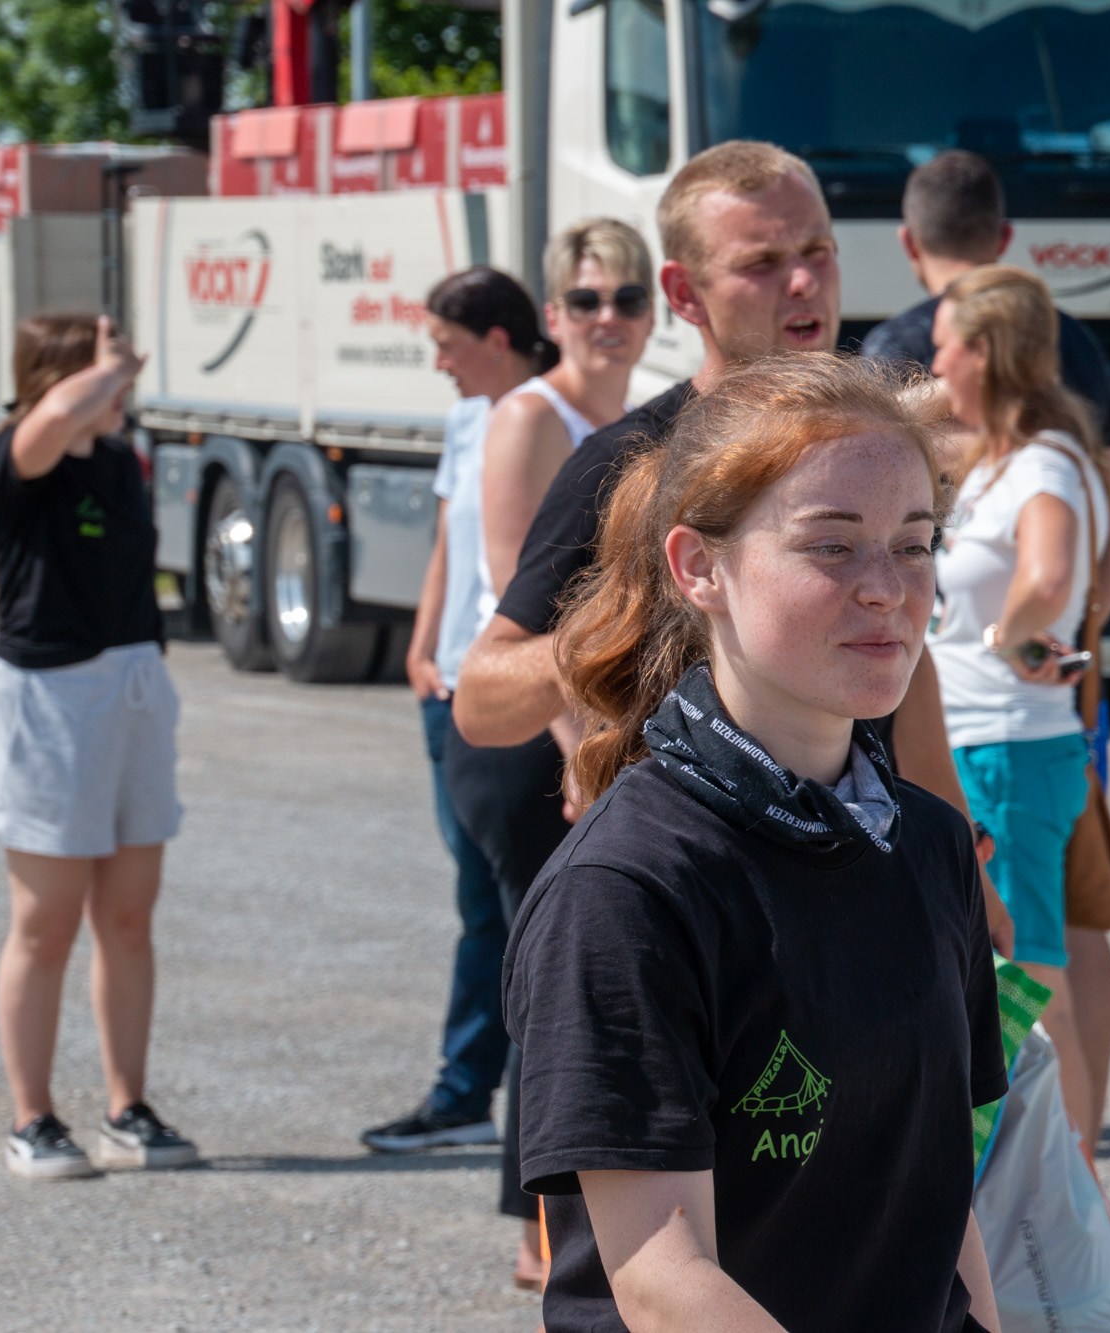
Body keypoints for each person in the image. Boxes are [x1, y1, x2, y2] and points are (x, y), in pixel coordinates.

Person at [505, 354, 1005, 1332]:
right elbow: (660, 1278)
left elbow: (943, 1206)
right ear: (699, 567)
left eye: (914, 545)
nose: (886, 589)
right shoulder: (625, 890)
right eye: (831, 545)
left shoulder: (932, 844)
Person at [452, 141, 1012, 948]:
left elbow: (899, 653)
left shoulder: (874, 444)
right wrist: (627, 617)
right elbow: (480, 700)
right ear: (685, 293)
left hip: (851, 871)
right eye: (762, 262)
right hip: (699, 898)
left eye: (817, 250)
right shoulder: (630, 463)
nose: (803, 280)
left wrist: (964, 870)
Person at [440, 221, 655, 1287]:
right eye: (586, 299)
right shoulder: (532, 416)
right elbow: (521, 612)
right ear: (553, 316)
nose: (608, 318)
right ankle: (544, 1234)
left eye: (627, 298)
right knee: (560, 978)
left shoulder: (637, 423)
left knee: (608, 973)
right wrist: (582, 752)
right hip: (533, 737)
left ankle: (588, 1216)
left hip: (599, 733)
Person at [0, 313, 196, 1178]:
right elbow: (54, 420)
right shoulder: (13, 457)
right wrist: (110, 369)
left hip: (131, 686)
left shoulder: (116, 460)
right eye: (101, 374)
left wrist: (109, 379)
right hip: (48, 700)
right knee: (45, 923)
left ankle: (126, 1107)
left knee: (128, 918)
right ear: (58, 378)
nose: (121, 387)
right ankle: (32, 1117)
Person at [361, 268, 550, 1154]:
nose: (438, 361)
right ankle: (468, 1094)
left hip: (516, 695)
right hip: (450, 688)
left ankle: (524, 1106)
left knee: (525, 908)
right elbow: (449, 540)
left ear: (498, 339)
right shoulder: (468, 419)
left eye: (447, 343)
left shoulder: (548, 418)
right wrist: (422, 642)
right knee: (479, 902)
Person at [927, 265, 1110, 1142]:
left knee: (1031, 981)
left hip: (1009, 748)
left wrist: (1010, 632)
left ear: (984, 353)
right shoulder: (994, 461)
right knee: (1006, 976)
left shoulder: (1044, 462)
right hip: (983, 744)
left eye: (944, 347)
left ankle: (1079, 1190)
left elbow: (1050, 572)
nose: (934, 364)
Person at [861, 149, 1110, 638]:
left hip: (923, 649)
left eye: (948, 352)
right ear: (1005, 237)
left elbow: (861, 454)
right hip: (1024, 649)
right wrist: (1077, 632)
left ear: (908, 241)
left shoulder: (894, 344)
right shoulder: (1076, 342)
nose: (939, 362)